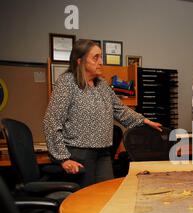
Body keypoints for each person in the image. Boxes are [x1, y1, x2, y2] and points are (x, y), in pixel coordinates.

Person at [43, 39, 162, 187]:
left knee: (105, 195)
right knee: (86, 201)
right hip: (79, 153)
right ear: (80, 61)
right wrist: (63, 158)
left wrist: (143, 120)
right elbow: (51, 121)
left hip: (103, 152)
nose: (101, 62)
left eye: (101, 57)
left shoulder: (102, 84)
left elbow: (120, 109)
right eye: (95, 57)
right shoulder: (67, 83)